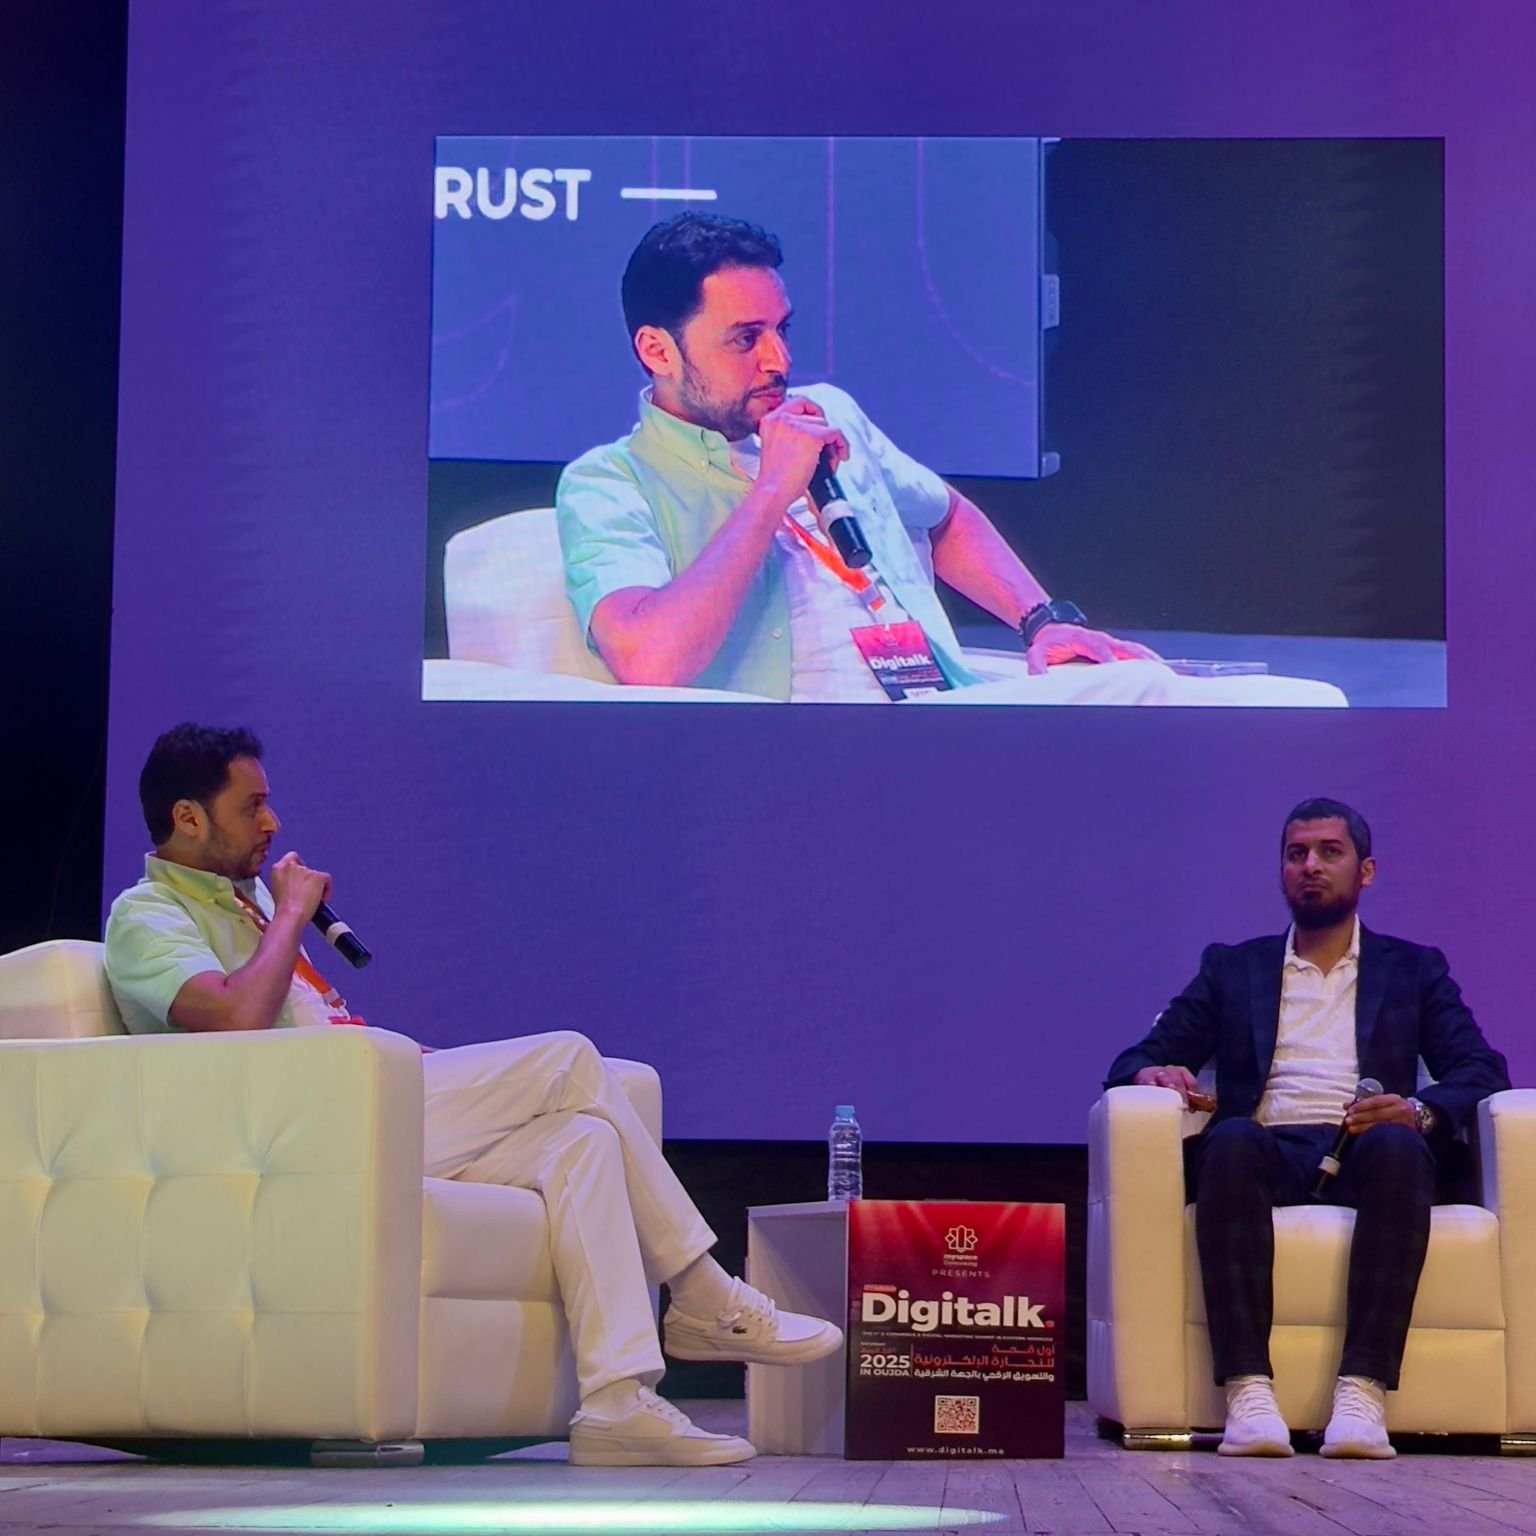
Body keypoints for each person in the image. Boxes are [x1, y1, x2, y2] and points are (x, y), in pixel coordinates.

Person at [103, 723, 841, 1467]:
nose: (273, 822)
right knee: (567, 1057)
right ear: (187, 817)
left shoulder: (249, 900)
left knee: (580, 1140)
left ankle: (618, 1402)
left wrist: (401, 1049)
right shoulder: (148, 915)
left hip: (358, 1103)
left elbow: (311, 1022)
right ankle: (703, 1293)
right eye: (251, 806)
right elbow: (234, 1020)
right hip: (293, 1137)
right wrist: (292, 915)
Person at [554, 211, 1345, 707]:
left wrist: (1043, 621)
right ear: (657, 349)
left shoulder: (827, 414)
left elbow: (946, 519)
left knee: (1286, 702)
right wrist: (769, 495)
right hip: (806, 739)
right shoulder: (608, 481)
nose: (777, 360)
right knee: (1147, 697)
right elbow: (649, 660)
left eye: (782, 330)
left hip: (940, 702)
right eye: (744, 338)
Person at [1104, 798, 1509, 1458]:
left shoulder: (1414, 968)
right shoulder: (1232, 968)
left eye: (1329, 852)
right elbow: (1136, 1059)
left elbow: (1481, 1068)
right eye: (1296, 855)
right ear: (1282, 871)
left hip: (1366, 1146)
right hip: (1267, 1148)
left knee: (1401, 1146)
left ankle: (1363, 1391)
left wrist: (1418, 1110)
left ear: (1365, 870)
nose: (1311, 866)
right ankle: (1247, 1391)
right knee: (1231, 1138)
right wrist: (1155, 1073)